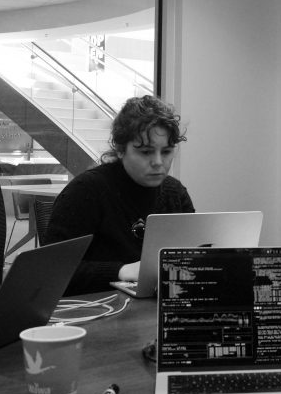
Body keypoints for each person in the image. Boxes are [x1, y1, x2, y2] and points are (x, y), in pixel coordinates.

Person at [44, 95, 193, 294]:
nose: (158, 162)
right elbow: (51, 270)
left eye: (166, 152)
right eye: (146, 152)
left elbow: (194, 255)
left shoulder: (174, 193)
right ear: (121, 150)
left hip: (156, 305)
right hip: (98, 309)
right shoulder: (87, 191)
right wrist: (121, 271)